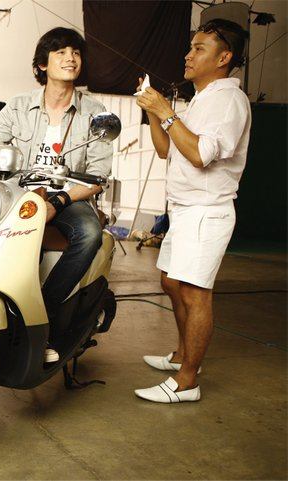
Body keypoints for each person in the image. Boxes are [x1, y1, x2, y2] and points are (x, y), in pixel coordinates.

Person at [0, 27, 112, 361]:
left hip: (70, 195)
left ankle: (47, 316)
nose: (70, 58)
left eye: (75, 52)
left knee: (88, 233)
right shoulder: (19, 106)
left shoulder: (94, 113)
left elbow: (98, 176)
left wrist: (59, 201)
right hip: (22, 192)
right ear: (42, 64)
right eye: (60, 52)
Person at [134, 19, 251, 403]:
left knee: (195, 293)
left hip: (206, 211)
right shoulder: (202, 97)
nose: (188, 55)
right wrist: (153, 111)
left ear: (224, 57)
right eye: (190, 47)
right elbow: (167, 149)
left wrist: (166, 110)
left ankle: (187, 383)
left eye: (199, 48)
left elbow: (201, 154)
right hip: (184, 210)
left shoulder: (228, 100)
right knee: (171, 283)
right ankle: (184, 356)